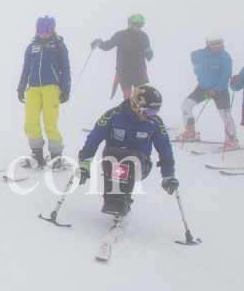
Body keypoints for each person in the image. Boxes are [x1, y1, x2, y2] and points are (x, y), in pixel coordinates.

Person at [76, 84, 178, 216]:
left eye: (155, 112)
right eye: (148, 112)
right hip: (113, 161)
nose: (150, 116)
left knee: (131, 159)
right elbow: (94, 138)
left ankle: (122, 200)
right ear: (136, 105)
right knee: (113, 155)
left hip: (140, 165)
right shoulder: (113, 115)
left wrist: (168, 175)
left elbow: (164, 148)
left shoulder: (155, 123)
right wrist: (85, 163)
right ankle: (111, 200)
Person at [17, 16, 71, 168]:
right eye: (42, 29)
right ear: (37, 29)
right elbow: (26, 68)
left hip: (51, 88)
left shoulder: (58, 46)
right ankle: (37, 155)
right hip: (33, 89)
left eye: (48, 30)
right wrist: (21, 88)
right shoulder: (31, 47)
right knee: (30, 122)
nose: (45, 33)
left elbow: (66, 68)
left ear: (53, 30)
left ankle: (56, 156)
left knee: (50, 123)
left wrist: (66, 88)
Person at [178, 32, 237, 148]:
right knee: (186, 106)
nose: (217, 46)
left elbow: (226, 75)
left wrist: (217, 89)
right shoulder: (199, 54)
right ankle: (190, 132)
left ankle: (232, 139)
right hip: (203, 87)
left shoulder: (224, 56)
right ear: (208, 43)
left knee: (225, 114)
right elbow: (194, 61)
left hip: (220, 90)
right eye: (214, 43)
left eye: (220, 43)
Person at [91, 14, 153, 99]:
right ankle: (127, 111)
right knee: (128, 93)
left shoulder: (143, 36)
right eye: (138, 24)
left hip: (139, 70)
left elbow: (148, 52)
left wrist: (149, 53)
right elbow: (108, 46)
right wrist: (99, 43)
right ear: (131, 23)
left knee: (141, 95)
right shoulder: (121, 35)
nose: (140, 27)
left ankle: (140, 112)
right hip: (124, 71)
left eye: (142, 25)